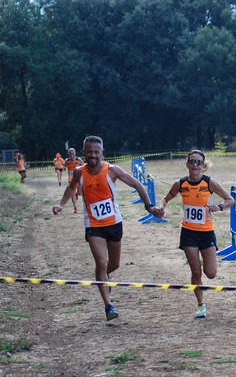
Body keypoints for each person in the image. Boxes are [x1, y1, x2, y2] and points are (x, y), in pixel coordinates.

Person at [52, 135, 164, 321]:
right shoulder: (80, 172)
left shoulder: (112, 170)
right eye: (89, 152)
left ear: (102, 152)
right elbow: (71, 188)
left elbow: (137, 184)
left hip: (113, 223)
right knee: (101, 263)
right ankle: (108, 305)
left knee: (114, 265)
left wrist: (149, 206)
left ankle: (102, 279)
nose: (93, 155)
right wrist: (62, 205)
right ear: (84, 153)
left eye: (96, 152)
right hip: (93, 225)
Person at [160, 149, 234, 318]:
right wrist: (161, 207)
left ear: (203, 166)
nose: (195, 165)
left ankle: (204, 289)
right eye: (192, 161)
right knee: (195, 270)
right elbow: (166, 198)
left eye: (198, 162)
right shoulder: (180, 184)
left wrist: (220, 207)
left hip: (206, 233)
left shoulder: (209, 183)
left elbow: (230, 199)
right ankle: (201, 305)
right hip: (188, 232)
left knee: (211, 273)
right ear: (187, 164)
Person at [64, 148, 84, 213]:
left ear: (75, 153)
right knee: (72, 192)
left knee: (79, 193)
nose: (72, 155)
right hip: (71, 178)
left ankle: (76, 194)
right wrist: (64, 167)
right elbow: (64, 166)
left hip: (78, 177)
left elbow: (84, 166)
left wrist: (81, 165)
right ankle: (75, 207)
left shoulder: (78, 159)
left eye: (73, 154)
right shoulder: (67, 160)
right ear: (68, 154)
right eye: (70, 154)